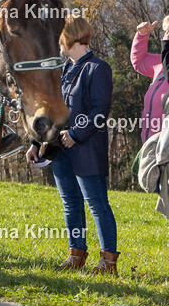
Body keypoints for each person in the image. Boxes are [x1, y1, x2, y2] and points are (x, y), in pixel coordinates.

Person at [27, 16, 118, 275]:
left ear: (72, 38)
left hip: (86, 147)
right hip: (58, 148)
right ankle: (76, 255)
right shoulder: (66, 68)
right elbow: (53, 108)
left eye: (60, 38)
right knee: (70, 203)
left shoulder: (98, 68)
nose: (58, 44)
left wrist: (76, 134)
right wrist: (36, 142)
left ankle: (108, 263)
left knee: (97, 204)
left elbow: (100, 110)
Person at [132, 20, 167, 143]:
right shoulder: (160, 63)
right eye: (166, 32)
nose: (165, 36)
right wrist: (142, 35)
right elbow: (139, 62)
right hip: (150, 148)